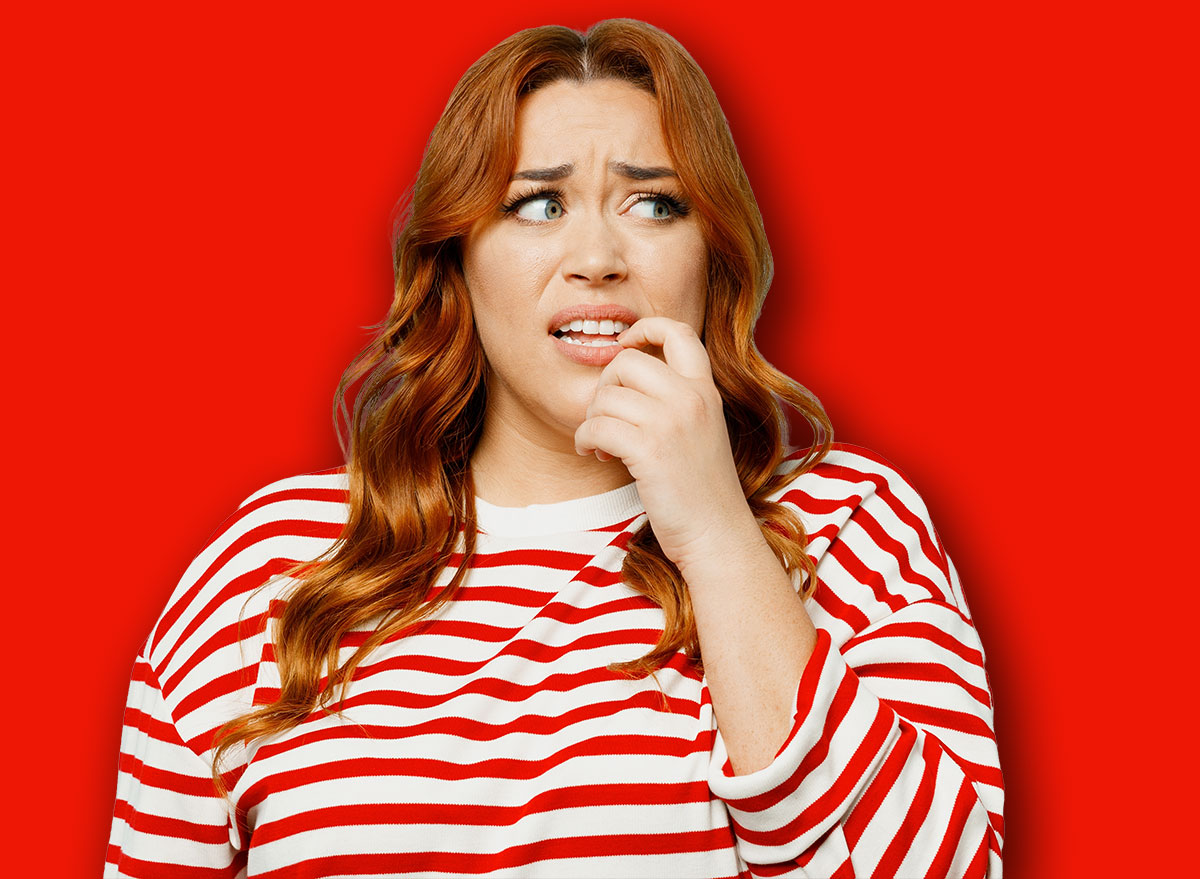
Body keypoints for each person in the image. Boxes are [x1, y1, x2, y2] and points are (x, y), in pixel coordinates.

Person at [106, 19, 1004, 879]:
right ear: (458, 259)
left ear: (712, 255)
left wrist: (718, 534)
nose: (598, 257)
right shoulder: (271, 563)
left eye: (654, 203)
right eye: (538, 203)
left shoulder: (847, 526)